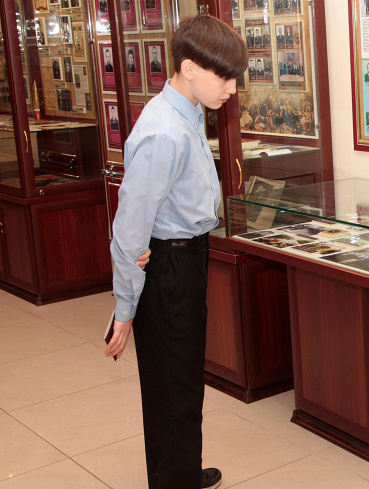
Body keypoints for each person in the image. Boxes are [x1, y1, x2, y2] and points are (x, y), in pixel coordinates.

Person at [105, 14, 247, 489]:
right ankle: (173, 480)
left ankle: (181, 471)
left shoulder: (187, 110)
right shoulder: (165, 131)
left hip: (186, 257)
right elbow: (130, 228)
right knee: (170, 386)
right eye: (223, 77)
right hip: (169, 264)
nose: (231, 88)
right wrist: (125, 306)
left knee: (182, 379)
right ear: (189, 68)